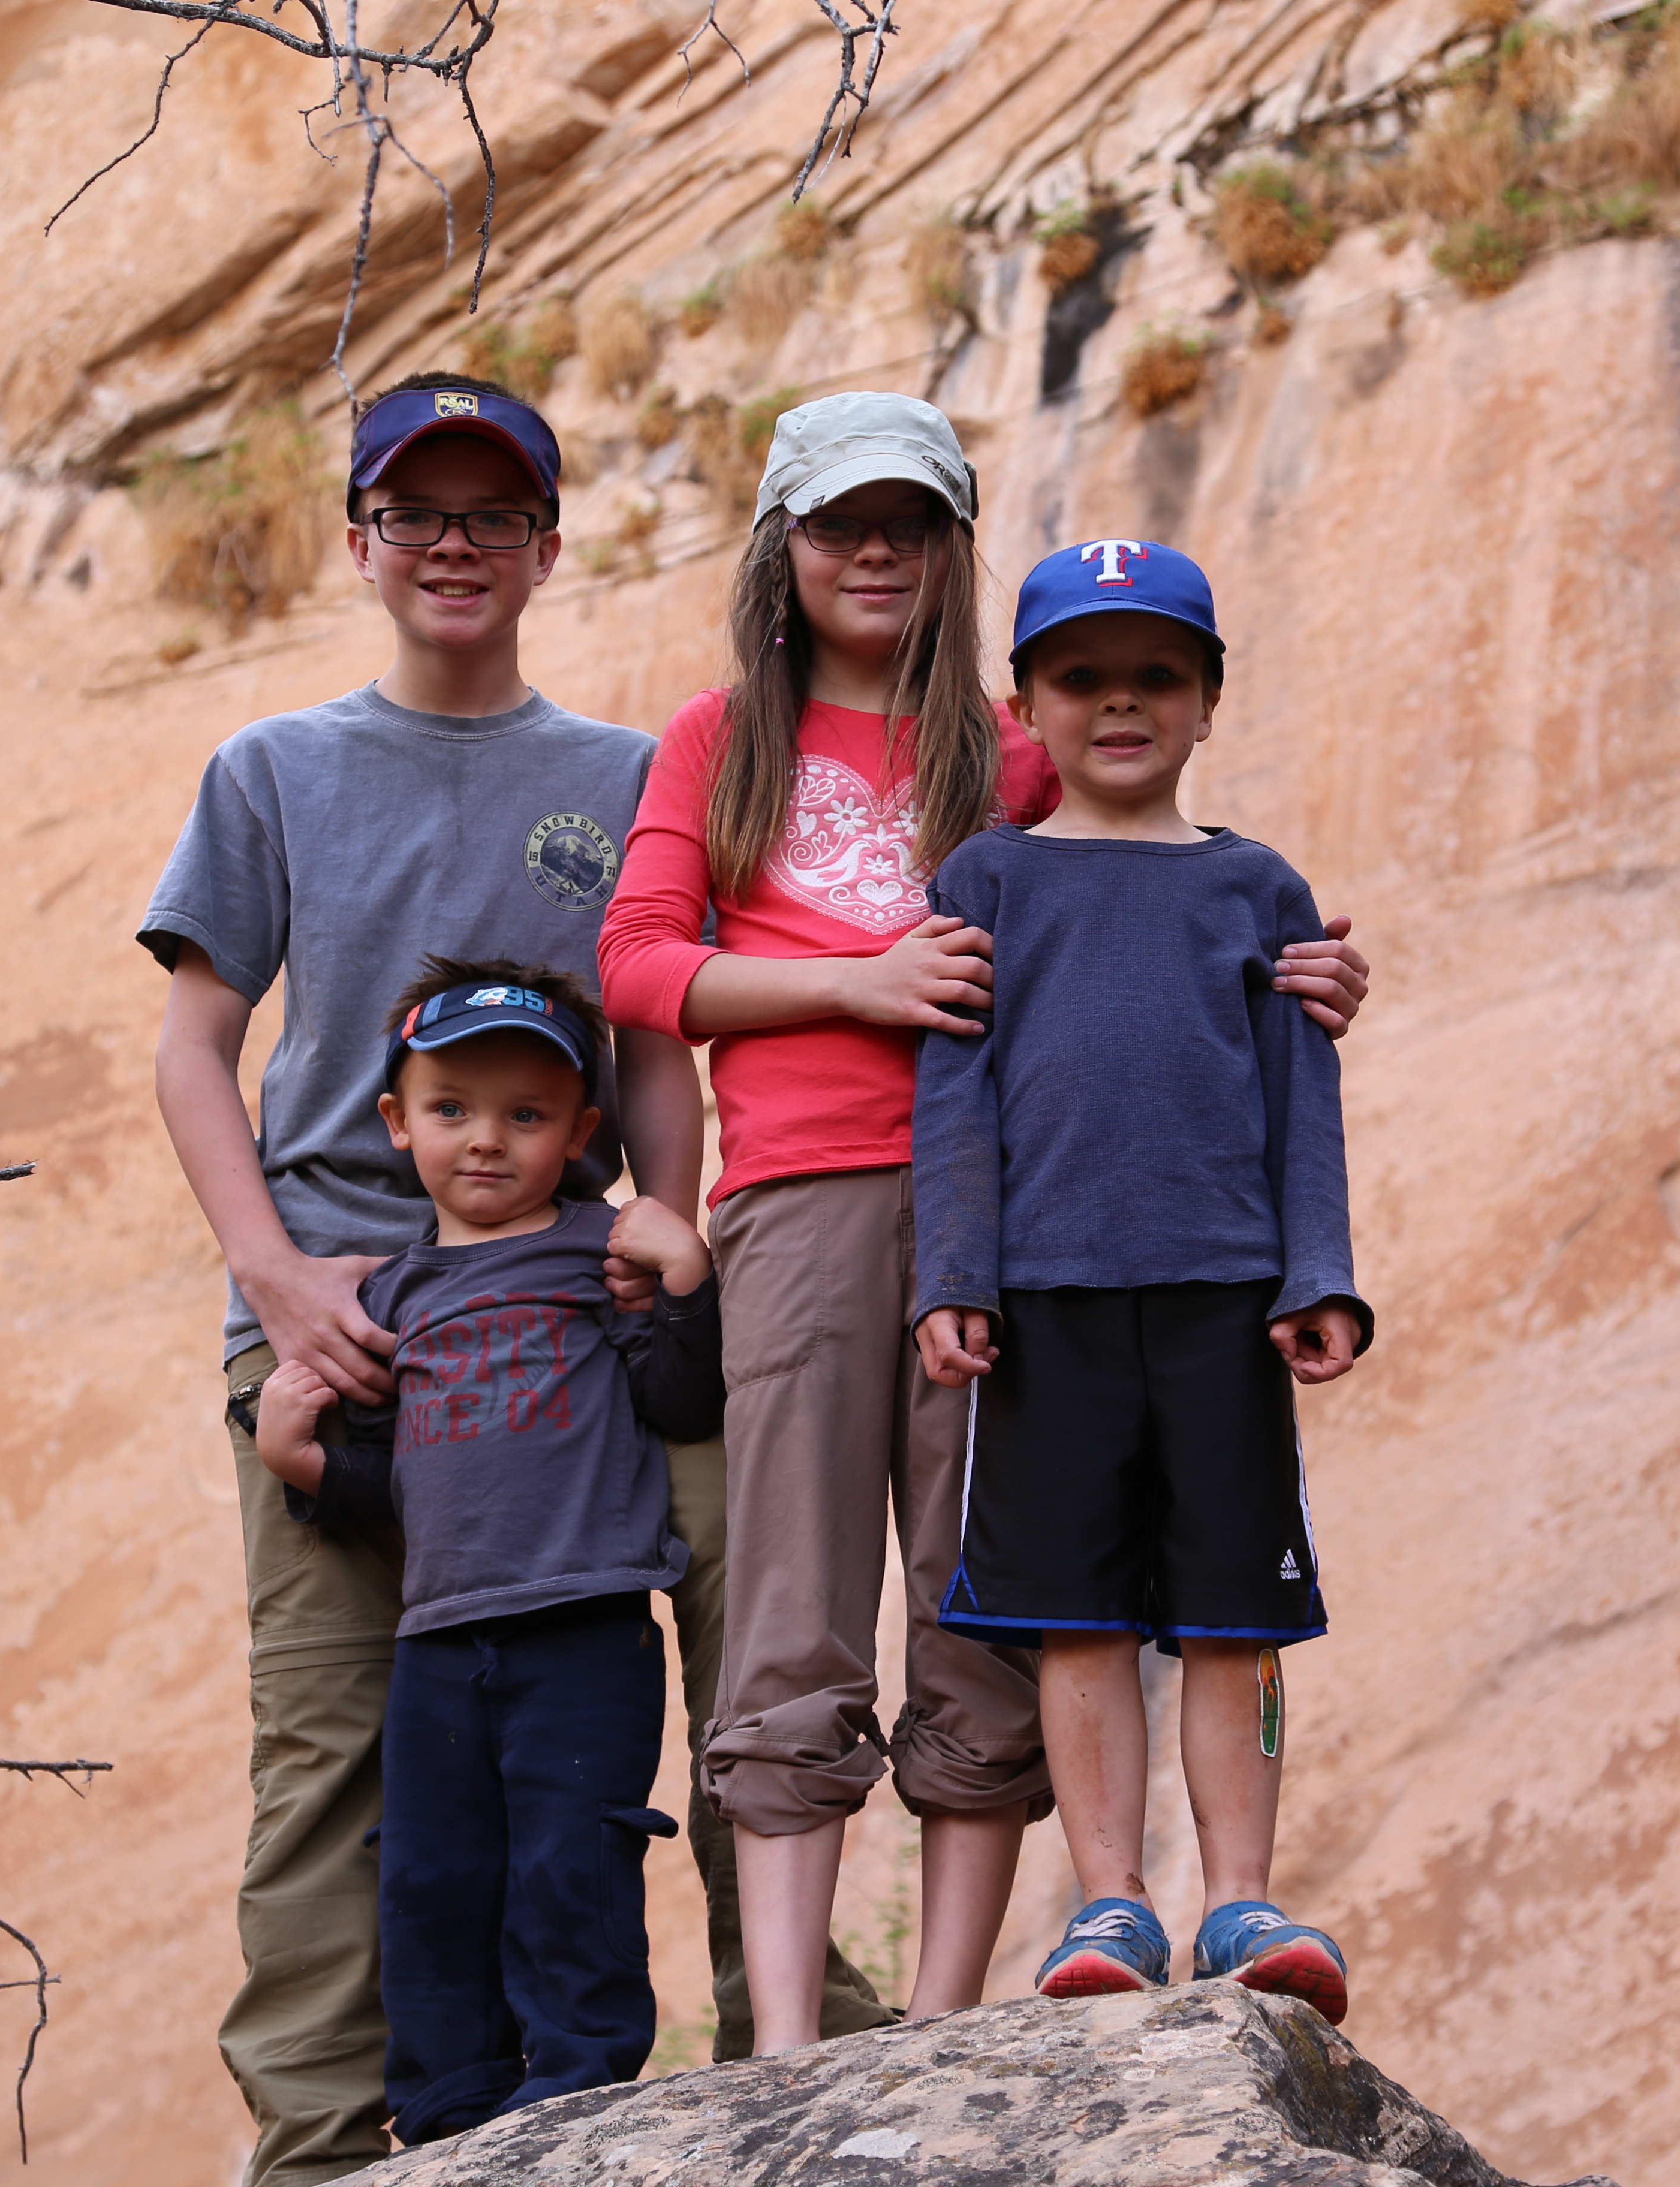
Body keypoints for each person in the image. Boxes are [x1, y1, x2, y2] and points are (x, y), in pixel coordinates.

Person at [140, 373, 880, 2185]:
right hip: (344, 1328)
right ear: (362, 542)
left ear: (547, 545)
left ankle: (786, 2028)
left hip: (580, 1325)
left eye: (492, 515)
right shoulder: (276, 771)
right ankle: (325, 2140)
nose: (454, 544)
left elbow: (648, 1029)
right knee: (331, 1742)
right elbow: (194, 1045)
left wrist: (674, 1226)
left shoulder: (622, 775)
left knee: (737, 1615)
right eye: (418, 513)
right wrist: (280, 1282)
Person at [594, 393, 1373, 2054]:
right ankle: (793, 2039)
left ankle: (945, 2017)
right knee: (796, 1596)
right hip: (799, 1192)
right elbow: (639, 966)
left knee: (983, 1593)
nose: (873, 551)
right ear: (780, 547)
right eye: (836, 523)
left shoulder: (1011, 755)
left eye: (911, 523)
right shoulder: (720, 740)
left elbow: (1141, 909)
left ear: (956, 551)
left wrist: (1297, 970)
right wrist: (856, 982)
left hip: (1017, 1217)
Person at [911, 538, 1368, 2024]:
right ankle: (1108, 1897)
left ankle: (1241, 1896)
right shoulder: (986, 878)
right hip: (1045, 1305)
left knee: (1240, 1611)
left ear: (1209, 701)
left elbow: (1307, 1100)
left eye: (1157, 678)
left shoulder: (1258, 887)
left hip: (1226, 1298)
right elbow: (955, 1094)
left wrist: (1321, 1275)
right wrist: (954, 1274)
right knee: (1078, 1614)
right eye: (1084, 680)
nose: (1122, 706)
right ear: (1025, 701)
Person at [249, 962, 715, 2140]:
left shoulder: (600, 1250)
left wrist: (686, 1277)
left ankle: (577, 2089)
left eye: (528, 1115)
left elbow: (680, 1396)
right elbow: (407, 1485)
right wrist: (307, 1468)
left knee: (572, 1863)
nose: (488, 1142)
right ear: (398, 1123)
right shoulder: (386, 1298)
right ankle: (449, 2113)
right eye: (452, 1110)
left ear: (581, 1131)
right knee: (429, 1874)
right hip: (439, 1641)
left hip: (588, 1625)